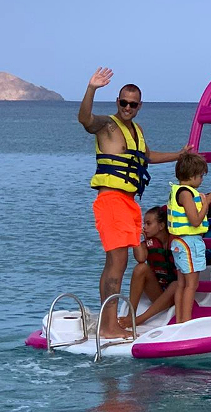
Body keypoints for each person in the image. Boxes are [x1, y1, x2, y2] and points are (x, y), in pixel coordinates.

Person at [78, 67, 189, 339]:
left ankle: (110, 322)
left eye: (133, 104)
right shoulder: (107, 126)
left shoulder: (136, 130)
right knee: (116, 262)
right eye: (123, 102)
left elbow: (148, 157)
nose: (127, 107)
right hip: (111, 200)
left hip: (128, 202)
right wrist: (91, 88)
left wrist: (179, 155)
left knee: (126, 261)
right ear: (117, 102)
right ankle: (109, 326)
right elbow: (84, 119)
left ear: (139, 106)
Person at [167, 152, 211, 322]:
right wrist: (207, 202)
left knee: (182, 283)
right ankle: (185, 320)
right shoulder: (186, 194)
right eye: (200, 176)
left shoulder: (178, 191)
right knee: (192, 284)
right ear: (192, 176)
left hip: (179, 242)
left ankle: (180, 320)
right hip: (188, 242)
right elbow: (195, 220)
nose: (201, 180)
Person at [118, 206, 178, 328]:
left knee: (176, 284)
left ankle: (140, 319)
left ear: (161, 226)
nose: (144, 227)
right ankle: (131, 314)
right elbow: (141, 258)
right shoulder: (148, 243)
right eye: (144, 223)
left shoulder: (176, 241)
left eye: (148, 223)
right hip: (158, 292)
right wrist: (135, 236)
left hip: (176, 294)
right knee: (140, 268)